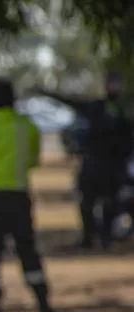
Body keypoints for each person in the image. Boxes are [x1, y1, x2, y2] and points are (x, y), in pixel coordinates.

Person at [0, 78, 62, 312]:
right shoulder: (26, 128)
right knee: (28, 252)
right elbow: (32, 161)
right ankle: (44, 308)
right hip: (18, 198)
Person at [39, 73, 133, 249]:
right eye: (111, 84)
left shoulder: (125, 110)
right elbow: (73, 102)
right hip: (94, 163)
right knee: (86, 202)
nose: (114, 88)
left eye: (117, 84)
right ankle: (90, 236)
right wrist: (47, 93)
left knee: (111, 203)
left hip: (114, 166)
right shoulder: (97, 107)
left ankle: (106, 237)